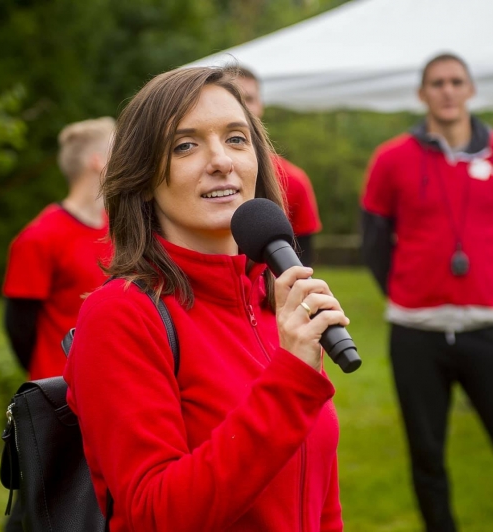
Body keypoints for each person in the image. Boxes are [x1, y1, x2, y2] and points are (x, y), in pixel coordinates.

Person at [64, 66, 349, 531]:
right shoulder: (122, 314)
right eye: (186, 145)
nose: (222, 160)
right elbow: (156, 515)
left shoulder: (275, 305)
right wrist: (292, 379)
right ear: (143, 176)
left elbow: (319, 495)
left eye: (237, 139)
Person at [361, 53, 493, 532]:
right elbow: (373, 242)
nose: (447, 90)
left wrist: (488, 277)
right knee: (427, 457)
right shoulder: (391, 158)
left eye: (456, 82)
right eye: (436, 83)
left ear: (470, 90)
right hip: (416, 334)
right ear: (421, 94)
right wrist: (409, 291)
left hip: (487, 330)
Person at [2, 116, 115, 380]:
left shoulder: (122, 229)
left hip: (115, 380)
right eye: (119, 150)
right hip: (62, 394)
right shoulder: (38, 238)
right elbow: (19, 327)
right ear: (97, 160)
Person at [234, 67, 323, 266]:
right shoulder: (193, 175)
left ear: (261, 105)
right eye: (233, 98)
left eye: (248, 99)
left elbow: (302, 260)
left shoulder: (293, 180)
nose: (240, 108)